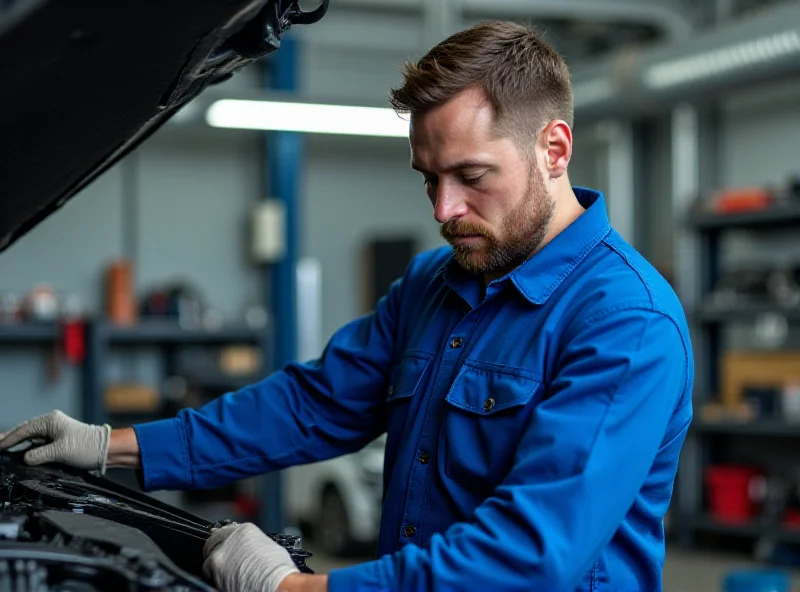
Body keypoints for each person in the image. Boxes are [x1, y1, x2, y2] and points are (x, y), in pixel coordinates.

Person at [0, 20, 693, 592]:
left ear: (554, 149)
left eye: (471, 177)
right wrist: (110, 447)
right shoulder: (433, 283)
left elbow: (532, 554)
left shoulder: (627, 324)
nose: (444, 210)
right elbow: (311, 405)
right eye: (429, 179)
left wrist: (297, 589)